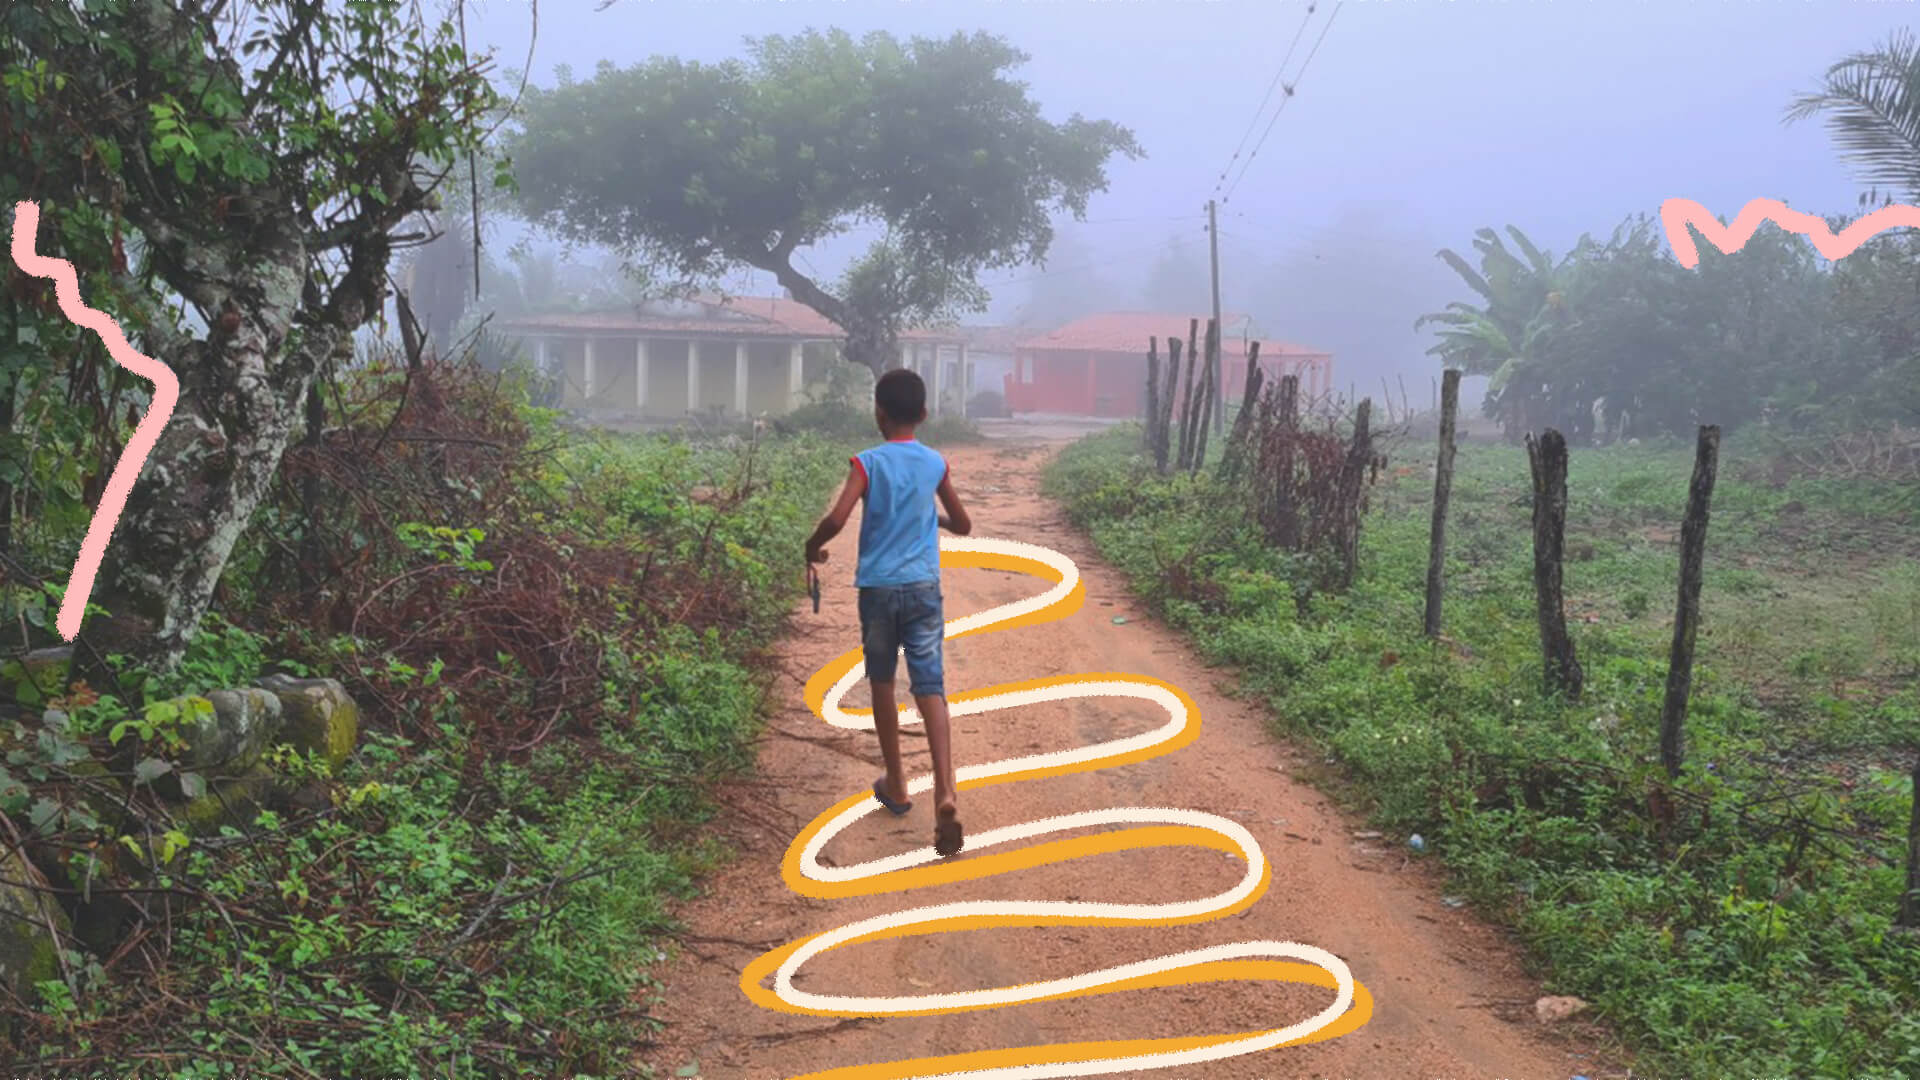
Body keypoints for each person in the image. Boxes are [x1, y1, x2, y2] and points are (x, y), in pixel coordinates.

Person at [804, 368, 971, 858]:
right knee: (930, 685)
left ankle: (897, 783)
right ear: (922, 414)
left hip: (878, 590)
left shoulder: (868, 462)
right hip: (922, 589)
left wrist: (813, 545)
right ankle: (946, 792)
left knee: (882, 680)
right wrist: (930, 515)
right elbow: (962, 524)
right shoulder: (933, 463)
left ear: (878, 414)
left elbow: (837, 518)